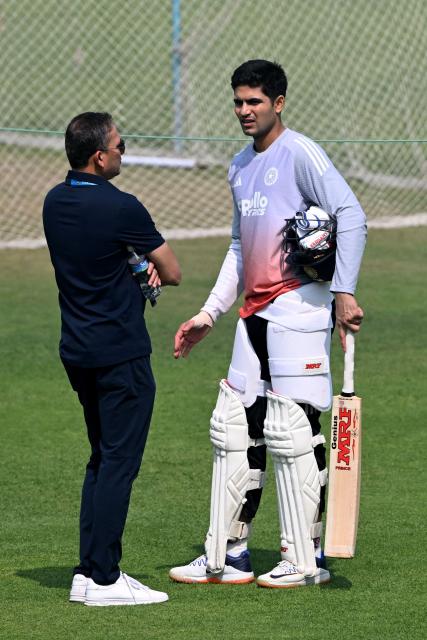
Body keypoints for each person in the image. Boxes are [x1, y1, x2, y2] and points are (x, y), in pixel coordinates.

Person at [169, 60, 365, 588]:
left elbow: (350, 214)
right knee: (234, 429)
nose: (244, 111)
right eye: (238, 101)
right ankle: (229, 554)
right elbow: (239, 246)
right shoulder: (238, 166)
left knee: (293, 430)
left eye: (254, 101)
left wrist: (342, 292)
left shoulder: (300, 153)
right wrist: (209, 312)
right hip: (252, 314)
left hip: (299, 308)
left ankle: (306, 559)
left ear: (278, 103)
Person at [43, 112, 181, 606]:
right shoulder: (124, 208)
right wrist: (139, 264)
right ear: (100, 156)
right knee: (120, 463)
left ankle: (87, 571)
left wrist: (128, 262)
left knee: (101, 459)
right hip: (121, 353)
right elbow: (173, 270)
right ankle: (104, 578)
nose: (124, 152)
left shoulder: (54, 201)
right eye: (121, 146)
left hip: (77, 351)